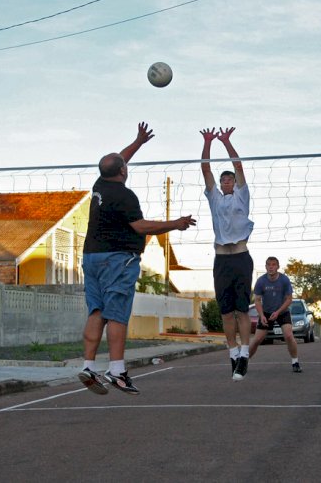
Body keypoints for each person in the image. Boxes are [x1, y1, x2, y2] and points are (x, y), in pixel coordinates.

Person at [78, 122, 196, 395]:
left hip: (91, 257)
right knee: (117, 314)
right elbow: (140, 227)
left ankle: (88, 365)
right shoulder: (125, 195)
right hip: (117, 259)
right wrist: (175, 223)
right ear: (122, 171)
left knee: (96, 311)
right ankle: (117, 371)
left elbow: (118, 159)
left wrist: (138, 142)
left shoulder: (100, 185)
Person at [200, 126, 255, 381]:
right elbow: (205, 169)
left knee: (242, 309)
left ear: (234, 182)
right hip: (222, 258)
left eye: (229, 179)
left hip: (241, 257)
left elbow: (239, 166)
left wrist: (226, 142)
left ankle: (245, 354)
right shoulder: (215, 199)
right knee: (225, 311)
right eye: (223, 180)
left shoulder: (242, 196)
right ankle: (232, 352)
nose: (226, 182)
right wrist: (208, 142)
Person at [249, 256, 302, 373]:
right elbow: (257, 300)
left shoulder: (284, 280)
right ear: (266, 267)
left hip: (282, 312)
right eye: (268, 265)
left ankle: (295, 362)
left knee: (288, 336)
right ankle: (244, 363)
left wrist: (278, 312)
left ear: (277, 267)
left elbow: (289, 299)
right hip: (266, 313)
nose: (271, 267)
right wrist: (262, 315)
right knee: (257, 339)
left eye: (273, 265)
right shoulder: (261, 281)